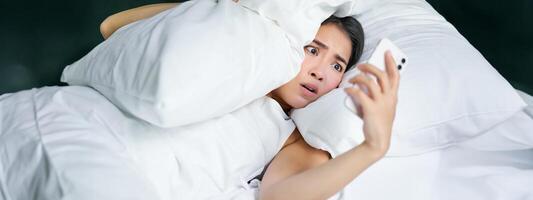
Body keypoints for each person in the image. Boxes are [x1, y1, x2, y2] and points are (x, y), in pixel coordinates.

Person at [100, 2, 399, 199]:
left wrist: (373, 148)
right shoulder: (229, 64)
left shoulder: (295, 139)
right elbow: (112, 27)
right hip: (106, 142)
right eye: (312, 50)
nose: (320, 72)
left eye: (337, 66)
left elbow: (278, 196)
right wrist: (230, 10)